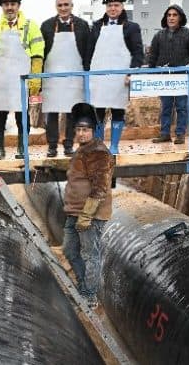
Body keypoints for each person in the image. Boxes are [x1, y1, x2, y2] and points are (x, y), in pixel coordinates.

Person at [0, 0, 44, 160]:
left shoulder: (30, 26)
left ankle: (22, 147)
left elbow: (37, 53)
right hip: (1, 81)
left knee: (21, 117)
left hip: (20, 80)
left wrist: (35, 78)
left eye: (13, 2)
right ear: (1, 5)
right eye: (6, 3)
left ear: (19, 3)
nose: (9, 7)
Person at [62, 102, 115, 308]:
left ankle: (90, 296)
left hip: (90, 215)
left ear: (93, 131)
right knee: (69, 250)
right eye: (78, 130)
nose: (81, 134)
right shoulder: (83, 150)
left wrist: (87, 215)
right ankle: (84, 287)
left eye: (85, 130)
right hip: (74, 212)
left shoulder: (98, 152)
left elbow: (101, 187)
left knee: (90, 255)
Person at [86, 0, 144, 154]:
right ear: (106, 6)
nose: (113, 8)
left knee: (118, 112)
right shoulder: (96, 26)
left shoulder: (132, 28)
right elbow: (89, 52)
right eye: (110, 5)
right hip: (99, 78)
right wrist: (86, 73)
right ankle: (99, 145)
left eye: (116, 5)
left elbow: (138, 53)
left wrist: (131, 73)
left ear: (122, 6)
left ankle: (114, 146)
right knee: (98, 114)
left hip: (120, 79)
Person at [40, 0, 91, 157]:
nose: (63, 8)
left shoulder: (82, 25)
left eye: (66, 5)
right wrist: (40, 80)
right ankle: (52, 146)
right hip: (52, 77)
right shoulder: (46, 26)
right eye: (60, 5)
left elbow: (87, 52)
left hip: (74, 76)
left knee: (72, 113)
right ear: (56, 7)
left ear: (72, 6)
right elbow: (41, 53)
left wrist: (86, 75)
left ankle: (69, 145)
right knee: (52, 113)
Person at [148, 4, 189, 144]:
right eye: (169, 15)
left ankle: (180, 134)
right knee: (166, 106)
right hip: (165, 77)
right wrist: (150, 73)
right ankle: (165, 133)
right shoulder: (159, 35)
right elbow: (152, 56)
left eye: (174, 15)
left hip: (182, 76)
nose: (171, 18)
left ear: (180, 17)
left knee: (182, 107)